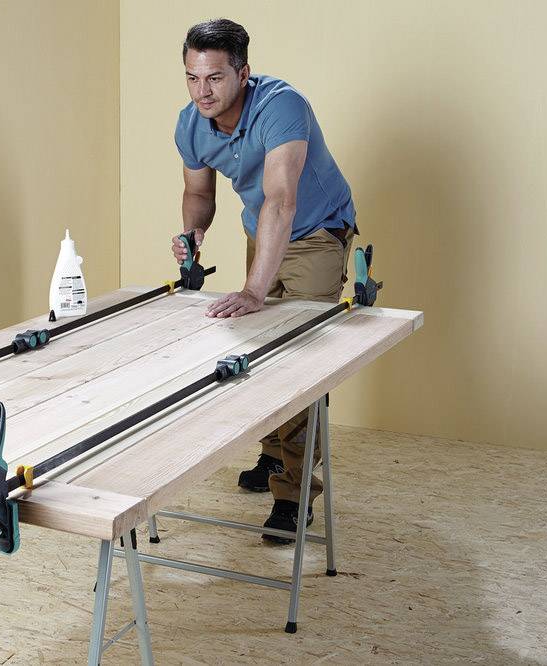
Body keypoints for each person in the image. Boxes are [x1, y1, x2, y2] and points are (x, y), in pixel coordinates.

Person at [171, 18, 356, 544]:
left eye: (215, 78)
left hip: (315, 233)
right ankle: (274, 454)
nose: (203, 91)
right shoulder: (191, 124)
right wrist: (193, 235)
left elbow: (282, 200)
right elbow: (199, 194)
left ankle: (294, 496)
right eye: (192, 78)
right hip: (264, 234)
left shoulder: (281, 106)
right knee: (258, 348)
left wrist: (255, 290)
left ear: (243, 73)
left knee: (298, 361)